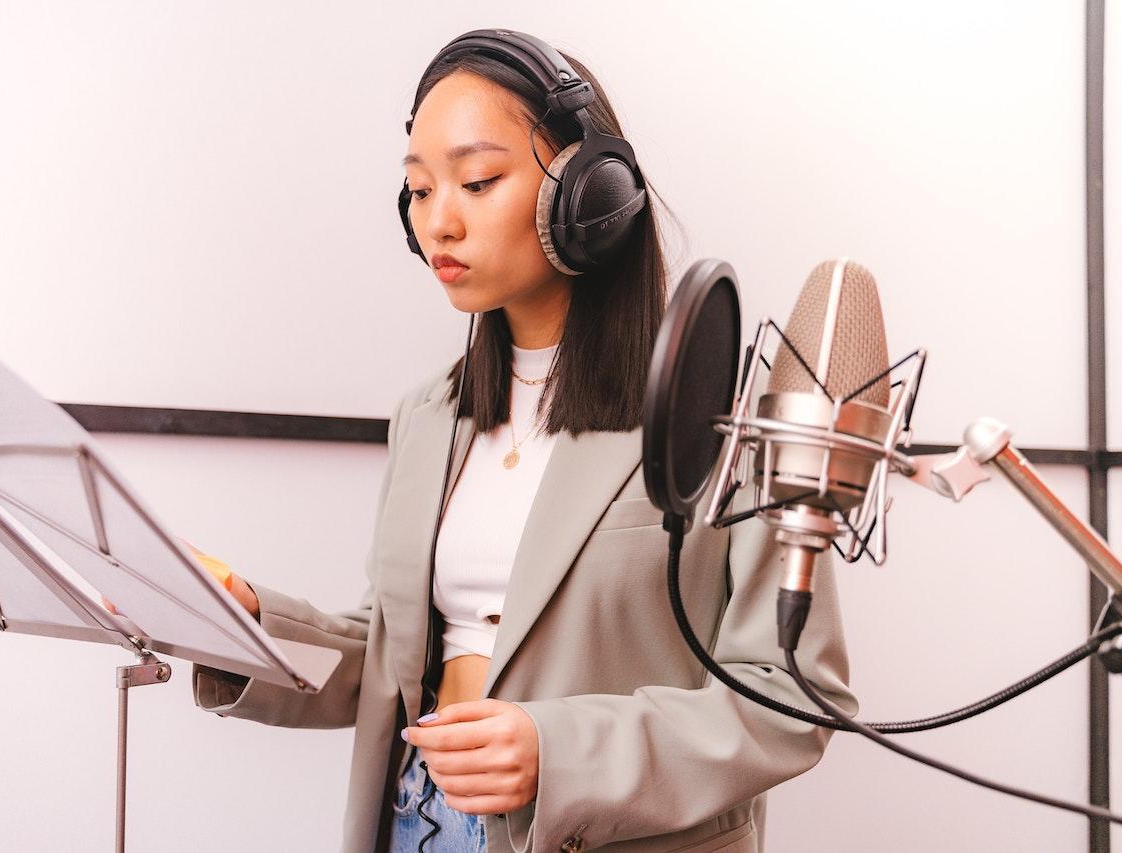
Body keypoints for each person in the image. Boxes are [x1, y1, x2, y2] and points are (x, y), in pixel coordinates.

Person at [186, 30, 854, 853]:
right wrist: (242, 624)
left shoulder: (720, 415)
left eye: (477, 180)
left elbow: (792, 696)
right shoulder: (430, 416)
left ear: (588, 193)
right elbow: (384, 659)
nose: (441, 220)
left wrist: (559, 751)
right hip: (416, 819)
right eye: (420, 190)